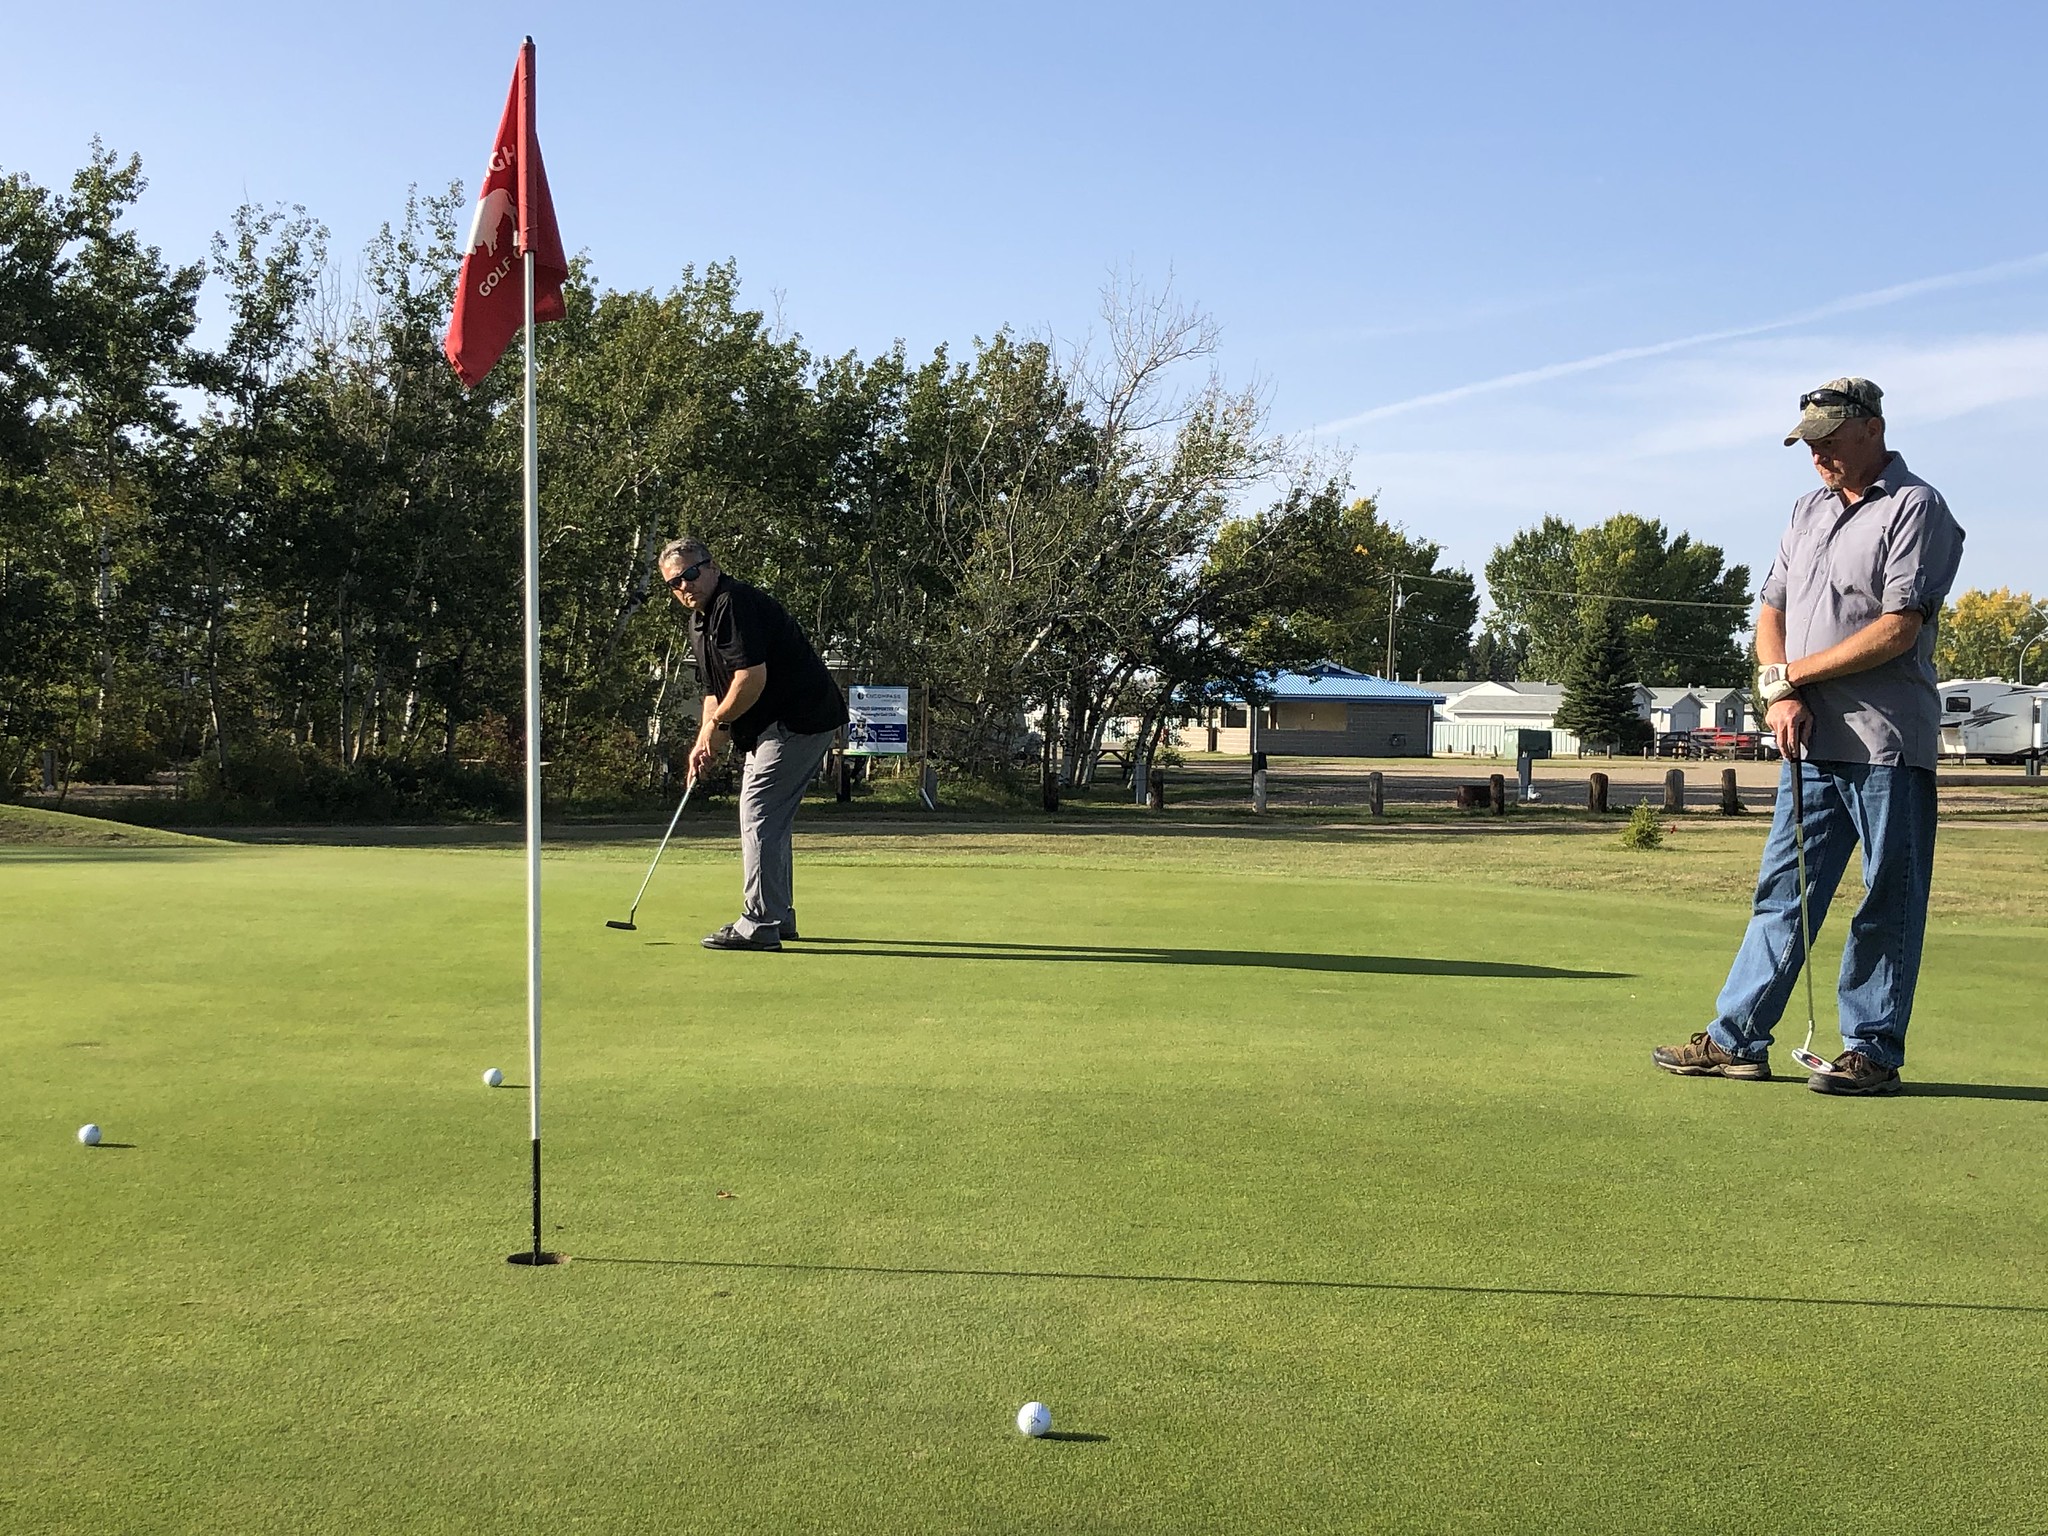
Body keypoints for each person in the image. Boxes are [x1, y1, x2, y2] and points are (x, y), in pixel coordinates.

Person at [1653, 378, 1964, 1094]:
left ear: (1872, 429)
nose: (1817, 451)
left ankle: (1872, 1051)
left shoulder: (1917, 506)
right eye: (1809, 440)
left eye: (1829, 436)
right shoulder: (1808, 509)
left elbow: (1898, 628)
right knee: (1783, 894)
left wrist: (1795, 673)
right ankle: (1737, 1039)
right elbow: (1772, 610)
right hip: (1810, 741)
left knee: (1887, 895)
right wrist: (1780, 688)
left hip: (1887, 743)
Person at [659, 536, 848, 951]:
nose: (684, 587)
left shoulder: (733, 603)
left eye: (690, 574)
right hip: (775, 724)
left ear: (711, 566)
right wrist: (705, 740)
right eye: (674, 584)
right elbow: (716, 690)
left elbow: (750, 678)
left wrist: (719, 724)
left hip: (798, 719)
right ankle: (777, 917)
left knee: (759, 812)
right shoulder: (700, 620)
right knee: (767, 818)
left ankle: (761, 921)